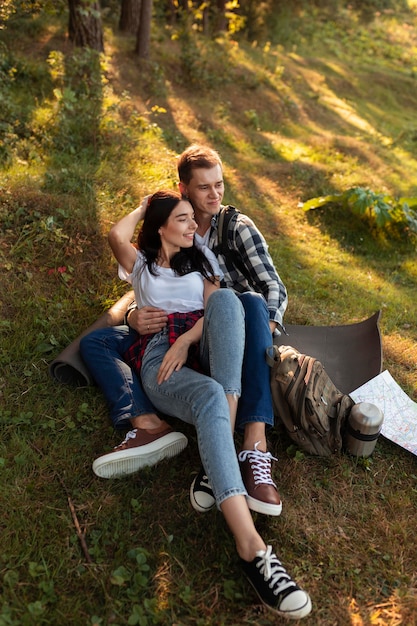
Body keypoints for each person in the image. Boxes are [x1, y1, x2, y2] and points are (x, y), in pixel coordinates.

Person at [86, 189, 312, 620]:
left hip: (197, 348)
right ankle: (254, 551)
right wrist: (147, 203)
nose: (194, 226)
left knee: (228, 299)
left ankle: (215, 465)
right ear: (161, 227)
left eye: (194, 218)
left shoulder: (203, 261)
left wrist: (186, 340)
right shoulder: (143, 268)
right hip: (160, 359)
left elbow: (213, 312)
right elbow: (117, 234)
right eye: (184, 219)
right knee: (210, 393)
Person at [81, 144, 284, 518]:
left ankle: (251, 444)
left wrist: (257, 340)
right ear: (183, 190)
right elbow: (141, 269)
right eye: (204, 187)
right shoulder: (172, 232)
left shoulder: (233, 230)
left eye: (219, 185)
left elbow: (270, 289)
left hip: (220, 331)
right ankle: (149, 424)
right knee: (96, 341)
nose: (215, 194)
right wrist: (132, 319)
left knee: (249, 303)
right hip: (165, 333)